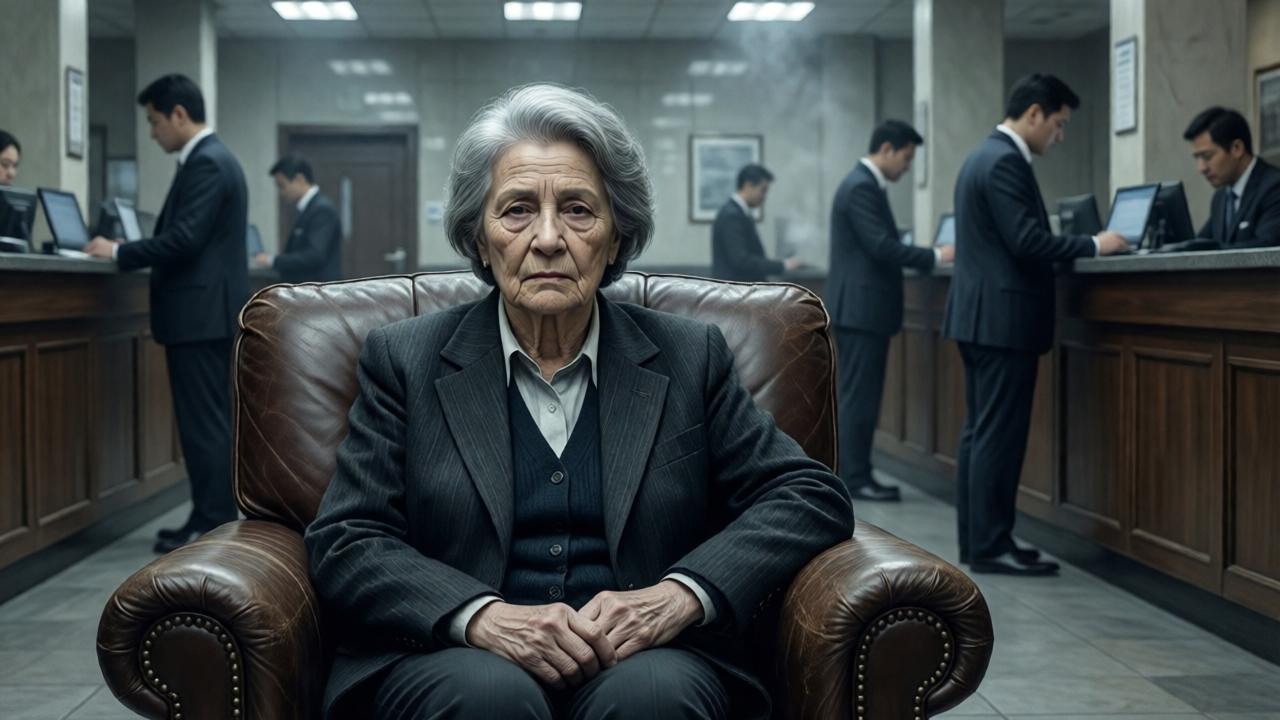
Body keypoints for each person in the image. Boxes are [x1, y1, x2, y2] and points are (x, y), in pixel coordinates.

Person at [304, 84, 853, 720]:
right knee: (490, 699)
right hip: (453, 658)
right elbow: (347, 536)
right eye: (515, 211)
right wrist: (478, 616)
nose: (547, 238)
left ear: (616, 237)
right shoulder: (405, 359)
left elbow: (806, 496)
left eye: (578, 210)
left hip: (649, 659)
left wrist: (677, 596)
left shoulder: (688, 356)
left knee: (655, 700)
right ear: (479, 239)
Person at [941, 74, 1129, 576]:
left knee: (982, 434)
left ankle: (985, 540)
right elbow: (1026, 241)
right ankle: (990, 544)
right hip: (1002, 321)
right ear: (1035, 114)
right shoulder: (1005, 160)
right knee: (996, 437)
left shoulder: (982, 155)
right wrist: (1095, 244)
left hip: (981, 318)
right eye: (1059, 124)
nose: (1060, 135)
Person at [84, 74, 249, 553]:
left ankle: (215, 520)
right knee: (206, 422)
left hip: (200, 317)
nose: (152, 132)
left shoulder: (207, 163)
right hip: (206, 314)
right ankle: (206, 513)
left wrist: (119, 252)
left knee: (205, 424)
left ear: (179, 114)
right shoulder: (212, 159)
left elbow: (185, 239)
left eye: (155, 121)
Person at [829, 120, 954, 503]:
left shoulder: (860, 183)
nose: (907, 167)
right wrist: (934, 255)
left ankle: (857, 473)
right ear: (886, 149)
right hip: (862, 310)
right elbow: (881, 246)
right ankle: (855, 477)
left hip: (860, 309)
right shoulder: (862, 186)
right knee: (859, 398)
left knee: (859, 396)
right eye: (905, 158)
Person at [1184, 106, 1280, 248]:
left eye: (1207, 156)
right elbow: (1199, 246)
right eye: (1197, 158)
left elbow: (1266, 249)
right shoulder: (1221, 197)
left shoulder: (1274, 187)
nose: (1201, 168)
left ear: (1237, 148)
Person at [254, 154, 343, 282]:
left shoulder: (322, 210)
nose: (281, 193)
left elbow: (314, 255)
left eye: (282, 186)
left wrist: (272, 260)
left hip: (317, 291)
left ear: (299, 179)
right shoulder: (308, 208)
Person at [710, 164, 803, 281]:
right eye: (763, 190)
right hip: (737, 291)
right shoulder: (732, 215)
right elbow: (742, 261)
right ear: (748, 185)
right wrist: (783, 265)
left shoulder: (738, 212)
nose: (764, 196)